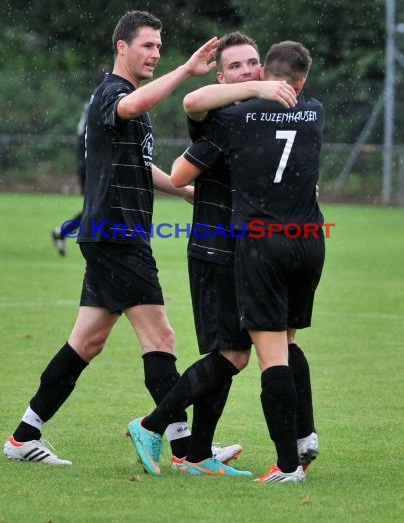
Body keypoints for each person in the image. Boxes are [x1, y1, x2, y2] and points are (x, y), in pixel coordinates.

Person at [3, 10, 234, 466]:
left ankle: (23, 436)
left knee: (86, 343)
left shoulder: (127, 100)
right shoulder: (115, 93)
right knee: (161, 337)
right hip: (117, 235)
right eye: (147, 45)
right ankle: (188, 451)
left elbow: (141, 168)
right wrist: (186, 71)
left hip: (110, 234)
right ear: (122, 47)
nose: (155, 54)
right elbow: (131, 107)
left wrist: (186, 192)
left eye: (159, 48)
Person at [129, 40, 325, 483]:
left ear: (265, 71)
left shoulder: (257, 115)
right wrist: (161, 178)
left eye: (253, 63)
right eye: (234, 66)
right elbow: (183, 157)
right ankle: (160, 429)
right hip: (219, 249)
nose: (245, 71)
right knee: (235, 354)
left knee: (248, 352)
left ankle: (200, 450)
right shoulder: (224, 117)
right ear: (221, 78)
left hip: (256, 248)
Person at [51, 65, 111, 256]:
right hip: (91, 163)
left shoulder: (95, 99)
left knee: (98, 206)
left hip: (87, 162)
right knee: (98, 206)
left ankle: (64, 232)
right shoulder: (103, 100)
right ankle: (86, 240)